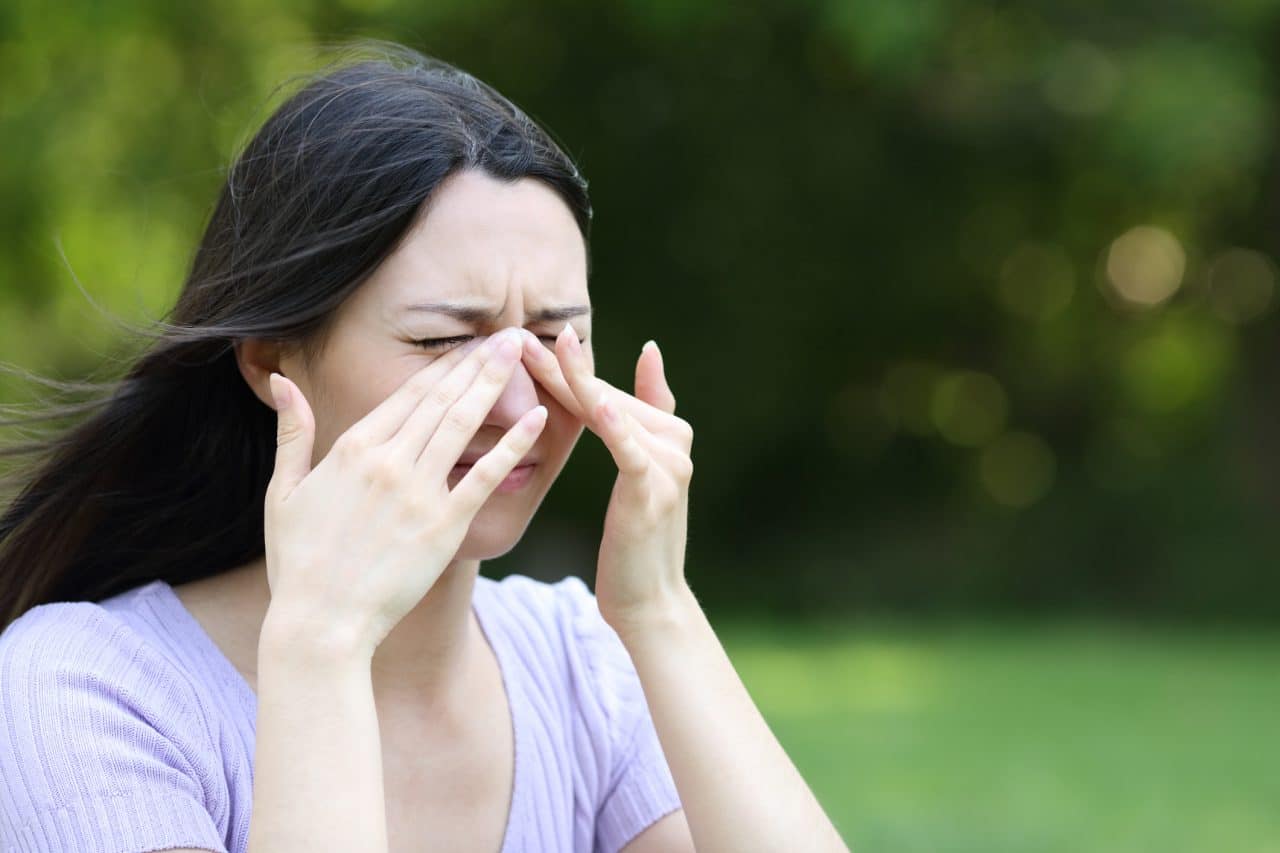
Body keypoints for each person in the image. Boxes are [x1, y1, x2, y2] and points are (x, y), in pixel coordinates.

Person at [0, 39, 848, 853]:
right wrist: (321, 643)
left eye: (556, 336)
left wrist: (659, 610)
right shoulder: (79, 691)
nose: (518, 401)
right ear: (270, 360)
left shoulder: (578, 666)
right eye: (445, 341)